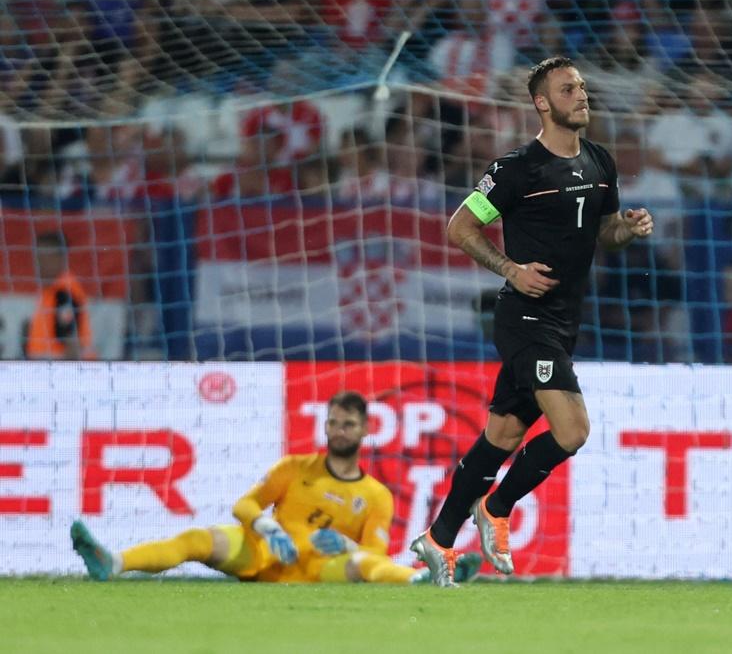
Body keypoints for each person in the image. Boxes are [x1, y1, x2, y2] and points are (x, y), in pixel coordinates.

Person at [409, 56, 654, 586]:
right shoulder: (516, 169)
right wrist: (509, 269)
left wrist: (627, 229)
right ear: (542, 103)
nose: (581, 95)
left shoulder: (599, 162)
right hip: (524, 317)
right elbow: (461, 227)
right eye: (568, 89)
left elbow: (603, 232)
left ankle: (438, 539)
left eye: (583, 87)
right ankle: (496, 508)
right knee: (572, 430)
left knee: (502, 434)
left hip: (566, 320)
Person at [70, 391, 481, 585]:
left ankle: (418, 580)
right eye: (334, 422)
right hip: (264, 552)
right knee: (199, 538)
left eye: (349, 424)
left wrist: (348, 546)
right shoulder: (294, 468)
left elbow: (372, 554)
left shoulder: (376, 495)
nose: (339, 431)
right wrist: (267, 527)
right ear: (326, 424)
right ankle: (114, 563)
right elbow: (245, 505)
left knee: (363, 567)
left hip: (319, 570)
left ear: (366, 430)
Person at [25, 231, 95, 360]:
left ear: (61, 258)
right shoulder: (50, 290)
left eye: (46, 258)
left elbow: (72, 347)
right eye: (38, 258)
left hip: (61, 374)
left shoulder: (64, 292)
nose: (40, 265)